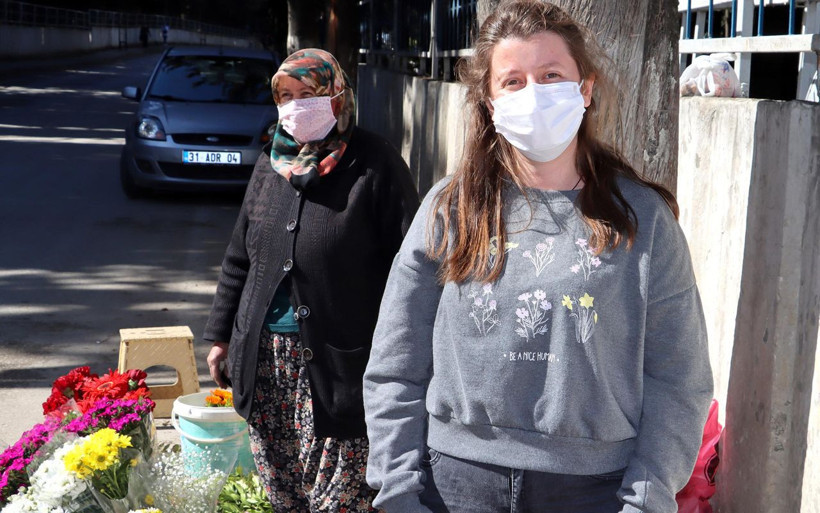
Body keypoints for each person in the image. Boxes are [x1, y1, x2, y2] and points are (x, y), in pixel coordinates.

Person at [362, 1, 714, 512]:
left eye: (552, 75)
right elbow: (397, 361)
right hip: (453, 487)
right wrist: (396, 485)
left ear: (586, 88)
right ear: (488, 101)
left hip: (595, 493)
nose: (535, 95)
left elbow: (679, 378)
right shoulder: (449, 209)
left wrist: (646, 498)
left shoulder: (642, 219)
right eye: (513, 81)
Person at [204, 48, 420, 512]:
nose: (295, 106)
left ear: (336, 97)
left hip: (341, 368)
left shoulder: (375, 163)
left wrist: (411, 353)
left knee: (339, 500)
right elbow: (240, 258)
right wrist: (220, 337)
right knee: (284, 496)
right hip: (265, 366)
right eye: (286, 95)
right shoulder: (269, 163)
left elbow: (414, 268)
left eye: (308, 94)